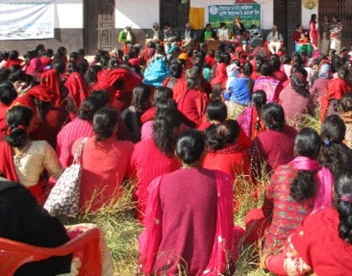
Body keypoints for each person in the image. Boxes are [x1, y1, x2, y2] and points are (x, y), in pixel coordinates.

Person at [139, 130, 235, 276]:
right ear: (204, 152)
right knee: (238, 233)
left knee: (143, 237)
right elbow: (225, 228)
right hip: (209, 267)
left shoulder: (159, 184)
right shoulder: (221, 181)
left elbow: (154, 230)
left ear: (177, 154)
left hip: (167, 267)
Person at [260, 128, 333, 271]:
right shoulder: (326, 178)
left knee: (254, 217)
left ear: (295, 150)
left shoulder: (281, 171)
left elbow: (266, 209)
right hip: (310, 256)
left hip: (275, 252)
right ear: (319, 152)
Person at [73, 107, 133, 212]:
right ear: (115, 127)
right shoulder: (127, 148)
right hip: (111, 207)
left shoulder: (79, 144)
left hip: (82, 206)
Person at [0, 105, 63, 204]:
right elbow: (59, 175)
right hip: (34, 204)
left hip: (6, 205)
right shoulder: (41, 147)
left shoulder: (2, 148)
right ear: (29, 125)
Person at [129, 105, 181, 223]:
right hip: (171, 214)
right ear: (175, 129)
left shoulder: (138, 148)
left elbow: (132, 179)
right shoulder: (179, 151)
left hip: (144, 212)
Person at [249, 103, 297, 178]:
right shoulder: (293, 131)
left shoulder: (261, 140)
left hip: (275, 181)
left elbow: (252, 163)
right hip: (295, 175)